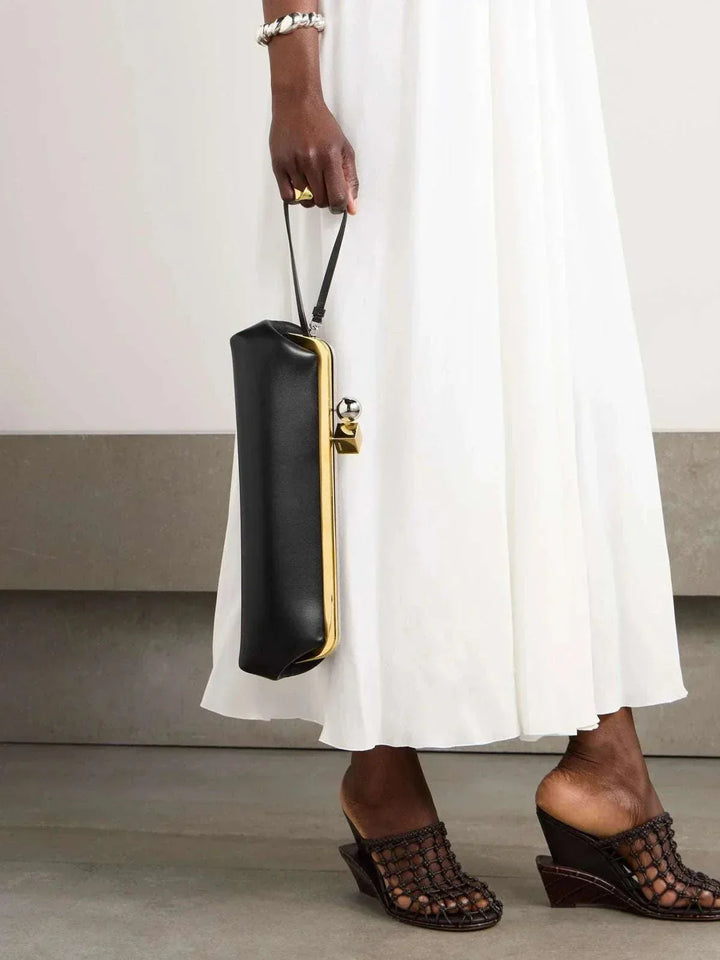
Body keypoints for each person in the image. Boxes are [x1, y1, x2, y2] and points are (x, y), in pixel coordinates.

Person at [202, 1, 720, 929]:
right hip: (396, 61)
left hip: (528, 58)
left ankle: (608, 764)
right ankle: (383, 769)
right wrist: (296, 81)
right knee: (394, 392)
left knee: (556, 385)